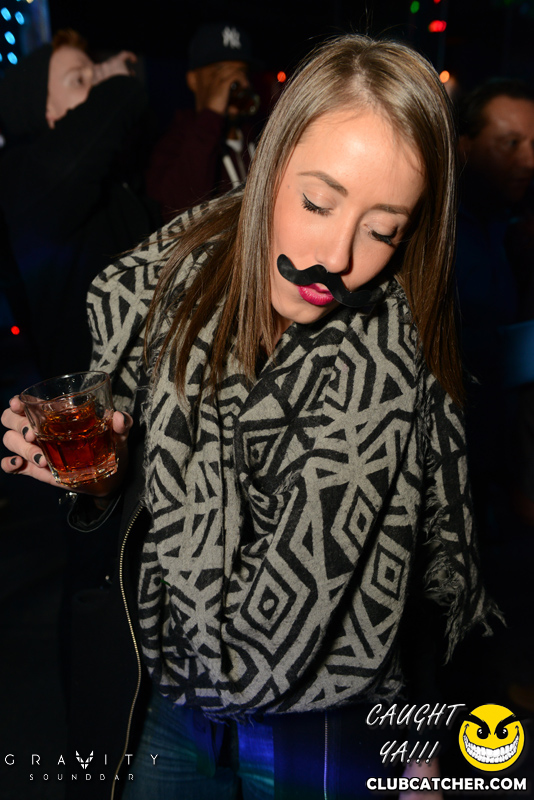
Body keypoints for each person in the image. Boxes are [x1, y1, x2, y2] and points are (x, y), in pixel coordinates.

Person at [2, 34, 496, 800]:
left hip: (321, 724)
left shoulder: (405, 349)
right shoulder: (167, 281)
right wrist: (101, 479)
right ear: (269, 161)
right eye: (318, 202)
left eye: (382, 229)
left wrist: (417, 743)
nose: (337, 256)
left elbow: (423, 569)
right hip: (160, 697)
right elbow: (127, 525)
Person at [0, 29, 160, 379]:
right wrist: (117, 81)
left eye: (95, 73)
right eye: (79, 79)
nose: (97, 85)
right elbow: (70, 163)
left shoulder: (117, 182)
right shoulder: (24, 179)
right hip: (88, 403)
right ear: (45, 110)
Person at [146, 22, 259, 221]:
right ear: (193, 80)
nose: (233, 82)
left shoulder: (258, 137)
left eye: (241, 72)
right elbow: (179, 211)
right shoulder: (172, 143)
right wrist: (212, 114)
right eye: (220, 73)